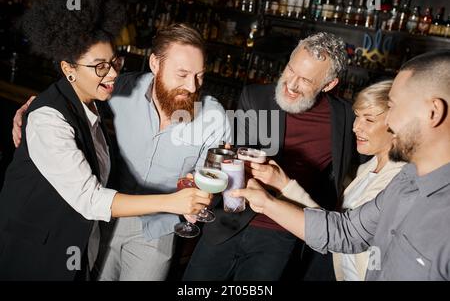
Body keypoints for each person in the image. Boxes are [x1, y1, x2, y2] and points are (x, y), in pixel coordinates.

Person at [0, 0, 211, 281]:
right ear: (68, 69)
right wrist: (172, 202)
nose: (112, 74)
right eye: (100, 66)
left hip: (76, 247)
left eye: (115, 62)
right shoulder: (48, 119)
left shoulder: (94, 102)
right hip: (36, 253)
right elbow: (91, 199)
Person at [232, 50, 450, 281]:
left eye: (394, 107)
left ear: (433, 112)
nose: (389, 121)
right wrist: (267, 202)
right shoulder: (405, 181)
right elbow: (346, 232)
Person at [183, 32, 359, 281]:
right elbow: (235, 161)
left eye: (305, 80)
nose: (291, 83)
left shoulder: (345, 118)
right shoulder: (255, 97)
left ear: (329, 85)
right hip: (230, 222)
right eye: (290, 69)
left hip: (281, 233)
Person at [245, 80, 405, 281]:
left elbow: (342, 235)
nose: (355, 127)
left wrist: (268, 204)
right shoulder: (368, 167)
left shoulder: (402, 179)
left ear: (398, 124)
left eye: (369, 120)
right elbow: (333, 227)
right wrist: (283, 184)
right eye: (356, 117)